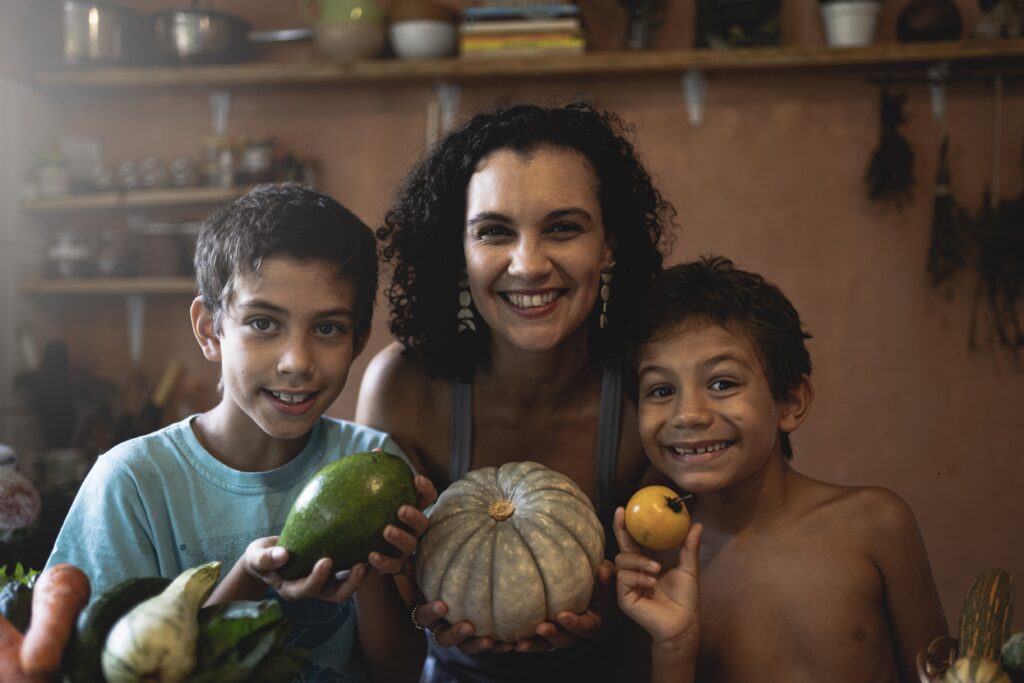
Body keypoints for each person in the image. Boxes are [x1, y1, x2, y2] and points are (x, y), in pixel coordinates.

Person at [47, 184, 436, 682]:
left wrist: (373, 571)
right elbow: (112, 671)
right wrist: (249, 578)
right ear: (210, 331)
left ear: (359, 341)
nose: (297, 362)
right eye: (263, 323)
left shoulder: (377, 460)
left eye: (328, 329)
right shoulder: (133, 483)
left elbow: (402, 674)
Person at [356, 102, 676, 682]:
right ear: (459, 252)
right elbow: (387, 658)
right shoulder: (402, 388)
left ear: (609, 245)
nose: (528, 264)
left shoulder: (651, 393)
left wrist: (615, 617)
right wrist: (414, 610)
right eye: (494, 232)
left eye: (563, 227)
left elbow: (675, 620)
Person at [615, 255, 948, 683]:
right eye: (661, 389)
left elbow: (946, 675)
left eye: (722, 383)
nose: (688, 415)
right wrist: (674, 646)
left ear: (790, 402)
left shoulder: (876, 525)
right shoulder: (651, 568)